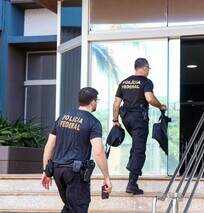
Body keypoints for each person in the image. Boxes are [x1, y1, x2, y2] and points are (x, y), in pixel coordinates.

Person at [41, 87, 112, 213]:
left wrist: (45, 170)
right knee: (78, 208)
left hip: (58, 171)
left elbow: (49, 145)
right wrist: (106, 177)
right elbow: (98, 152)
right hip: (75, 173)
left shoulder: (62, 118)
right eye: (97, 100)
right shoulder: (93, 122)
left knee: (69, 207)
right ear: (93, 102)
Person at [112, 58, 167, 195]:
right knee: (139, 149)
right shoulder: (146, 82)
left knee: (136, 145)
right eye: (148, 68)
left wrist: (115, 120)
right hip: (138, 119)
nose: (148, 71)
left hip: (126, 119)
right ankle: (132, 183)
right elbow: (149, 98)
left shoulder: (124, 83)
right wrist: (160, 106)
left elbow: (116, 104)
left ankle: (132, 169)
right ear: (144, 68)